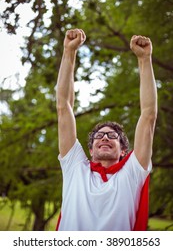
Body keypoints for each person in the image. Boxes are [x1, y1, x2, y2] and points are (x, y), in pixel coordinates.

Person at [56, 28, 157, 231]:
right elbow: (63, 106)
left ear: (123, 151)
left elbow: (148, 116)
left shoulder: (131, 174)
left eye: (112, 136)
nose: (104, 137)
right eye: (99, 136)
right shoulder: (76, 167)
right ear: (91, 150)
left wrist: (145, 60)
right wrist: (69, 52)